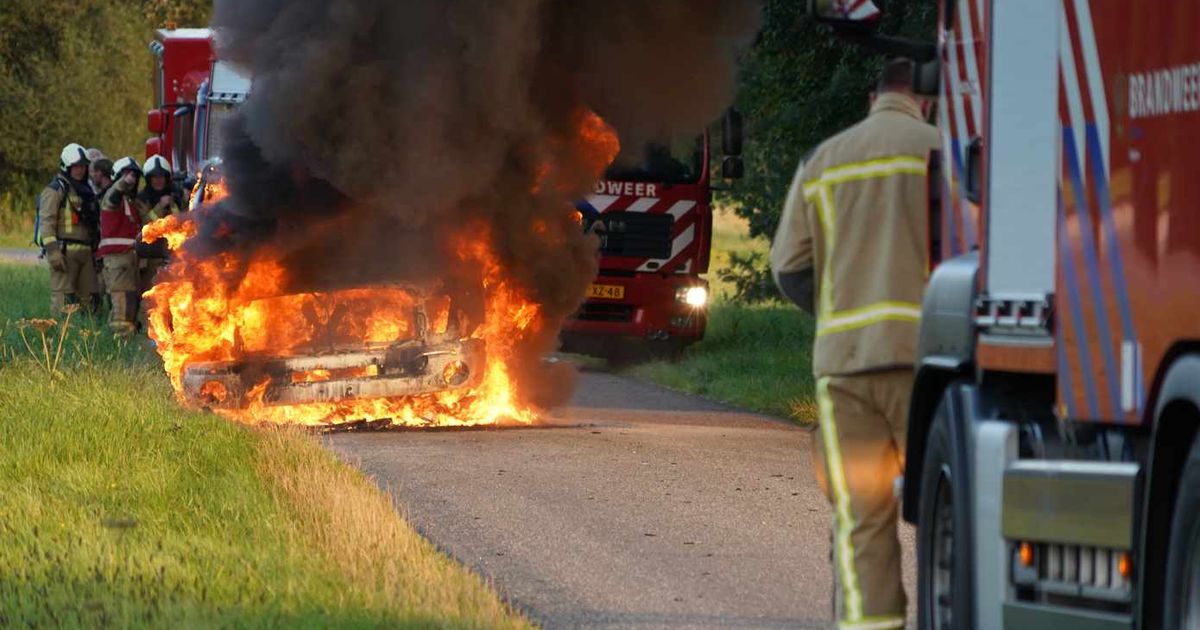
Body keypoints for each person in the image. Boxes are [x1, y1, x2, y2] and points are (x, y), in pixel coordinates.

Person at [769, 58, 939, 630]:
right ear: (926, 98)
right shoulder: (945, 152)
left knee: (863, 518)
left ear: (873, 96)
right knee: (948, 513)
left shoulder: (825, 161)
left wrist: (839, 313)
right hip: (930, 370)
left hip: (846, 373)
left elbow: (788, 266)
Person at [37, 143, 100, 314]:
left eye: (83, 166)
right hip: (64, 253)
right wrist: (53, 252)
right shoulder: (56, 189)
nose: (80, 170)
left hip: (87, 253)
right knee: (62, 299)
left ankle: (87, 336)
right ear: (67, 166)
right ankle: (60, 335)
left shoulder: (87, 190)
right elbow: (46, 222)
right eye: (76, 167)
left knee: (90, 299)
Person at [98, 157, 144, 336]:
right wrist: (122, 182)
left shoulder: (130, 203)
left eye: (134, 176)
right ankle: (118, 348)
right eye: (127, 175)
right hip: (117, 261)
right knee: (121, 308)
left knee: (130, 305)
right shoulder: (113, 198)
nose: (131, 179)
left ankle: (126, 340)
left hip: (130, 260)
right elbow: (114, 192)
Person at [135, 154, 183, 292]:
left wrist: (174, 204)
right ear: (149, 179)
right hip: (151, 259)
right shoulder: (142, 199)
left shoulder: (176, 197)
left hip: (174, 256)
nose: (158, 180)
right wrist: (161, 206)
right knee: (151, 295)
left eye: (161, 176)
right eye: (154, 177)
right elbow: (147, 225)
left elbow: (182, 222)